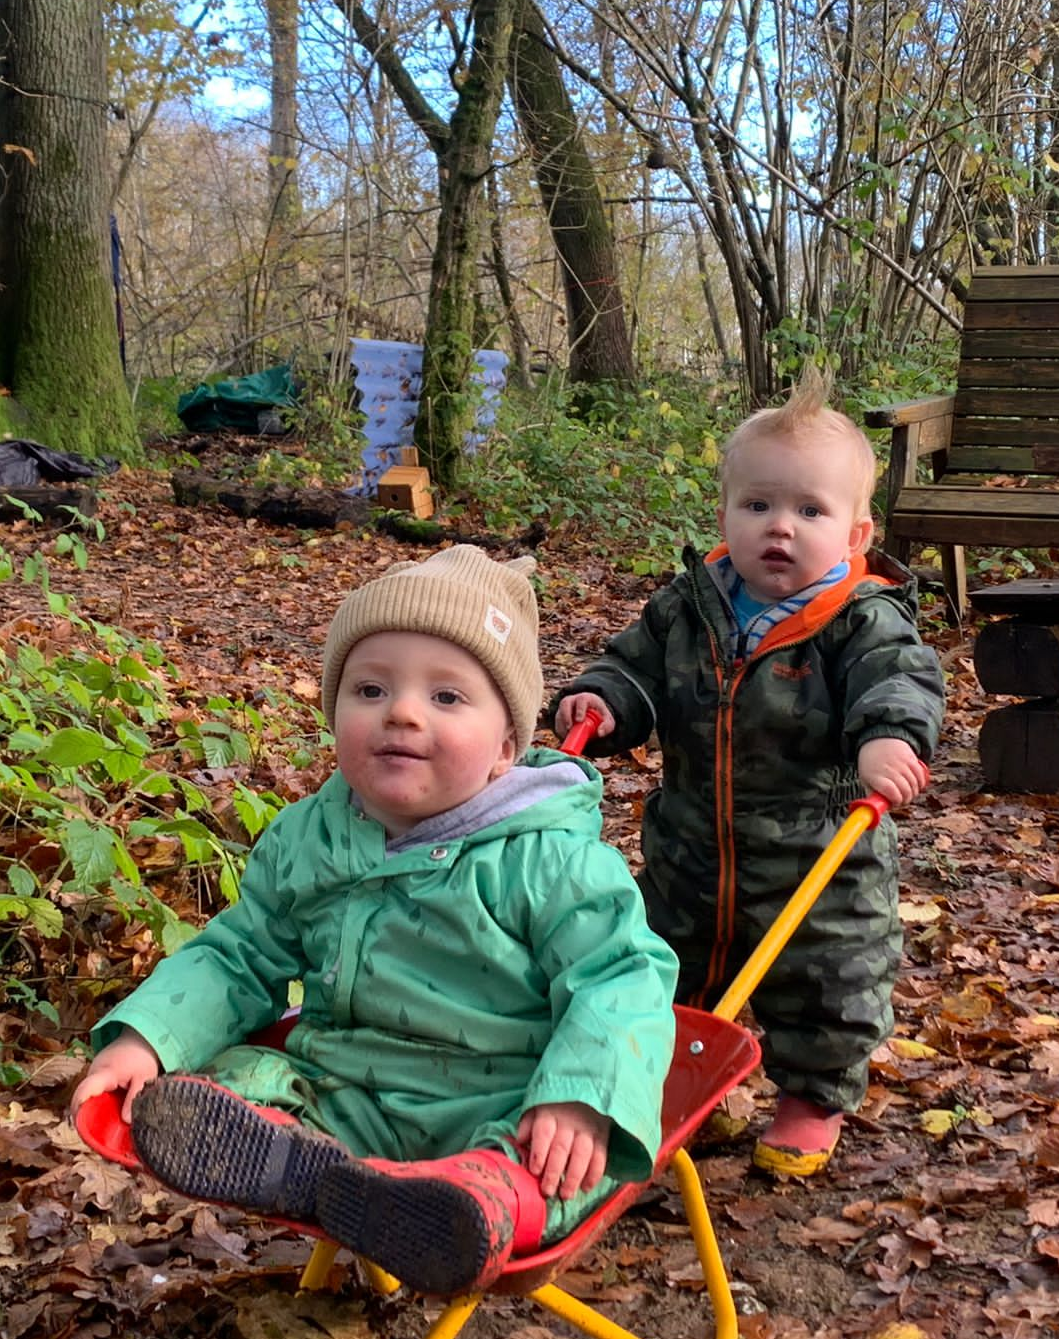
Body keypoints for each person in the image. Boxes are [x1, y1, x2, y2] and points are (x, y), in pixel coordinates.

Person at [70, 545, 678, 1295]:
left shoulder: (548, 859)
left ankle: (470, 1204)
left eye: (448, 698)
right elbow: (240, 954)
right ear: (334, 713)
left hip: (503, 1104)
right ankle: (300, 1164)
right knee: (240, 1079)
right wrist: (147, 1037)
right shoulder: (310, 840)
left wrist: (581, 1096)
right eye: (369, 688)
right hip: (342, 1090)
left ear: (507, 749)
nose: (403, 711)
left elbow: (623, 976)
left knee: (555, 1167)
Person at [552, 379, 943, 1178]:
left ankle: (810, 1097)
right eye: (759, 505)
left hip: (817, 851)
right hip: (692, 842)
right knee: (667, 963)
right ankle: (681, 1083)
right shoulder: (689, 607)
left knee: (825, 976)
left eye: (810, 511)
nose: (780, 528)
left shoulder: (862, 619)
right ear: (726, 514)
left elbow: (895, 679)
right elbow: (634, 667)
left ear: (856, 532)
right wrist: (605, 701)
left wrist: (886, 738)